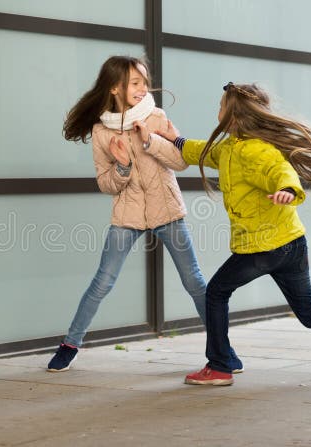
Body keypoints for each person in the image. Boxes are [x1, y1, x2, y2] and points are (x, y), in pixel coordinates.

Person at [155, 82, 311, 386]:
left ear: (234, 116)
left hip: (263, 248)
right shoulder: (229, 148)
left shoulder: (257, 151)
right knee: (310, 314)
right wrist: (176, 140)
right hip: (291, 244)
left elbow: (281, 172)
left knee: (216, 292)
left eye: (221, 106)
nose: (217, 110)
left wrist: (288, 189)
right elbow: (202, 152)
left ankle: (221, 365)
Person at [48, 56, 243, 373]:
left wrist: (150, 141)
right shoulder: (100, 132)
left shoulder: (156, 116)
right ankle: (69, 345)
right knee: (103, 282)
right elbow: (106, 184)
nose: (143, 88)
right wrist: (122, 165)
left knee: (194, 281)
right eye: (134, 83)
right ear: (115, 88)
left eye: (144, 81)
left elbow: (181, 162)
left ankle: (224, 350)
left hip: (166, 210)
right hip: (127, 215)